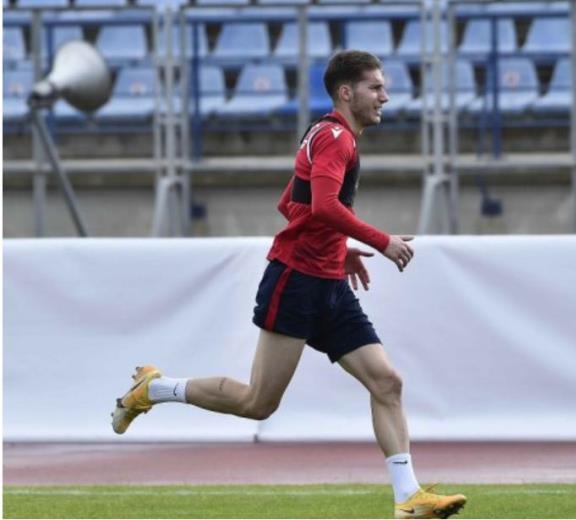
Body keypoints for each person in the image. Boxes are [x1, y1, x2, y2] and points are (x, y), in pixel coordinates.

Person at [111, 50, 467, 519]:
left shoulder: (325, 134)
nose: (385, 96)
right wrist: (381, 241)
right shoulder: (336, 138)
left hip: (328, 283)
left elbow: (291, 204)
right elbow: (322, 207)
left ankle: (408, 499)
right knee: (258, 402)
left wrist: (338, 250)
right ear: (346, 92)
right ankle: (154, 389)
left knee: (387, 382)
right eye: (375, 87)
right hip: (296, 281)